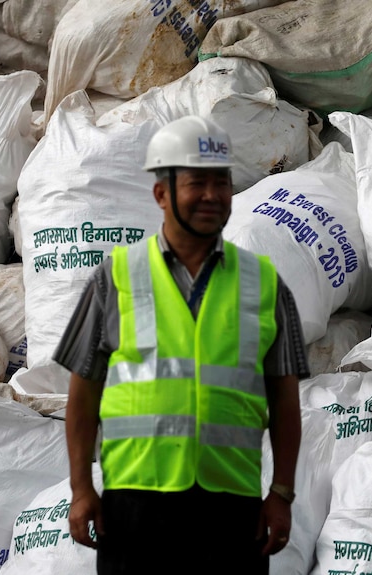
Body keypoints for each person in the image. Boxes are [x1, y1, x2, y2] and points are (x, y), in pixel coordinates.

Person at [56, 115, 309, 575]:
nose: (212, 196)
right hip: (135, 505)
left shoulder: (265, 284)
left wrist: (282, 493)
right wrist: (80, 488)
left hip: (232, 509)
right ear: (161, 194)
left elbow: (285, 401)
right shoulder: (115, 278)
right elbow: (83, 392)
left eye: (222, 183)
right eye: (197, 183)